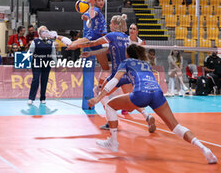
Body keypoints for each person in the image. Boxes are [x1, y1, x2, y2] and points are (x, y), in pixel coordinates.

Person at [88, 44, 218, 165]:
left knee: (110, 105)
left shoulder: (126, 62)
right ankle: (205, 150)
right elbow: (125, 80)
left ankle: (113, 142)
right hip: (157, 94)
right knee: (176, 126)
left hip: (141, 94)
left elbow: (115, 80)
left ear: (127, 54)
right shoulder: (145, 65)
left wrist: (98, 97)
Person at [67, 14, 155, 131]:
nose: (109, 25)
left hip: (116, 74)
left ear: (114, 24)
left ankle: (111, 121)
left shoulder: (112, 35)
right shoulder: (125, 37)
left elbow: (93, 43)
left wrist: (77, 45)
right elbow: (107, 50)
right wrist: (91, 54)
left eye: (110, 23)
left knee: (100, 93)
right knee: (132, 98)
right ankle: (147, 116)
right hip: (127, 73)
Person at [69, 0, 109, 96]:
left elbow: (86, 16)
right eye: (98, 0)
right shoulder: (95, 9)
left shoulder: (95, 11)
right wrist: (90, 6)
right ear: (95, 2)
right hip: (93, 40)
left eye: (102, 0)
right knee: (74, 45)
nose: (101, 2)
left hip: (99, 41)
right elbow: (91, 15)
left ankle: (98, 88)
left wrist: (86, 17)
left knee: (106, 68)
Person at [28, 26, 57, 105]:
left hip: (47, 63)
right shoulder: (35, 41)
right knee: (36, 79)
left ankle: (42, 98)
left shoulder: (51, 42)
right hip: (37, 62)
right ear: (39, 33)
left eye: (46, 31)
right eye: (43, 31)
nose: (45, 33)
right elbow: (30, 52)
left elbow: (53, 53)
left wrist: (55, 62)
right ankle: (31, 98)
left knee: (44, 80)